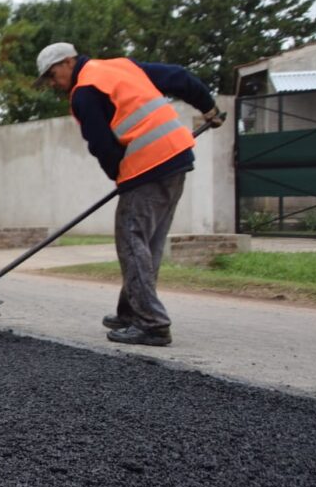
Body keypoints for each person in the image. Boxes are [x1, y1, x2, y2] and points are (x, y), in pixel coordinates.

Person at [34, 42, 224, 347]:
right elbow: (178, 76)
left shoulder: (84, 90)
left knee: (132, 240)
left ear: (68, 62)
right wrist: (208, 107)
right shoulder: (119, 67)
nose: (52, 83)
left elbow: (101, 145)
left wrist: (118, 176)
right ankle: (131, 312)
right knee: (147, 242)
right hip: (177, 157)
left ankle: (152, 324)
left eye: (52, 75)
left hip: (148, 167)